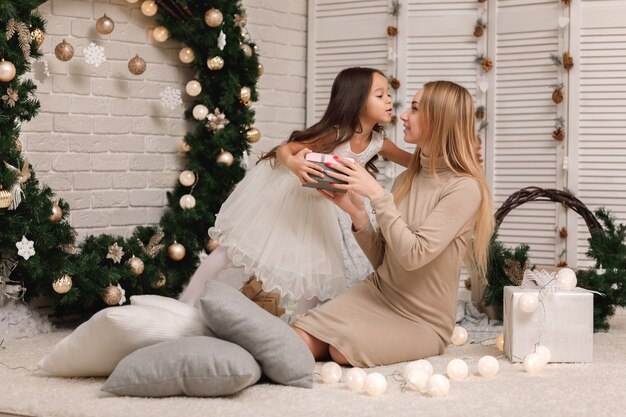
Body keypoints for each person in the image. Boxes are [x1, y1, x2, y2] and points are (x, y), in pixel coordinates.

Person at [292, 80, 494, 367]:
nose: (403, 115)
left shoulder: (464, 189)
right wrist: (358, 214)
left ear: (439, 121)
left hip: (422, 321)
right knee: (301, 332)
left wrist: (376, 194)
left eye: (414, 108)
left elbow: (414, 256)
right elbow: (386, 261)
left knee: (342, 348)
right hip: (378, 293)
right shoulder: (407, 179)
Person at [179, 67, 412, 315]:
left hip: (322, 205)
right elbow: (285, 149)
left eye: (388, 94)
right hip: (288, 197)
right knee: (235, 249)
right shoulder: (335, 134)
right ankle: (186, 302)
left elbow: (413, 161)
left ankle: (301, 326)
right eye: (380, 95)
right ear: (356, 101)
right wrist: (294, 164)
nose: (389, 100)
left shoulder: (378, 142)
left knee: (313, 269)